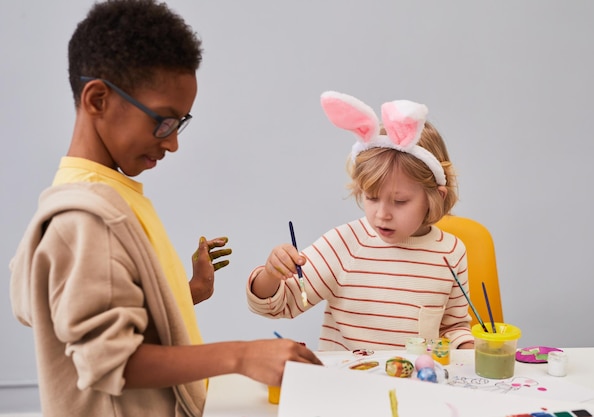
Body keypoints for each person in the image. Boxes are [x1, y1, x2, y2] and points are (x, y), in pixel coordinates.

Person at [9, 1, 321, 416]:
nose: (173, 142)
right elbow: (110, 359)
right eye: (164, 121)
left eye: (180, 123)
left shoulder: (106, 194)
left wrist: (188, 291)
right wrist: (242, 356)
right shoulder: (85, 219)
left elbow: (103, 316)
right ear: (98, 99)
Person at [246, 91, 475, 352]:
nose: (382, 214)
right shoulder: (344, 245)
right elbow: (280, 305)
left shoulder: (451, 253)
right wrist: (271, 274)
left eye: (399, 202)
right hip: (349, 385)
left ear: (436, 196)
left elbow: (453, 328)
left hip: (414, 386)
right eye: (372, 197)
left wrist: (470, 350)